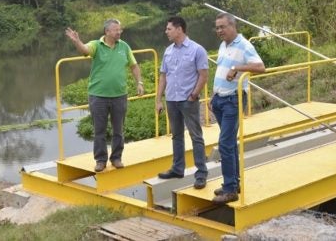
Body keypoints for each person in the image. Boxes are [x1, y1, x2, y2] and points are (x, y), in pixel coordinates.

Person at [65, 19, 144, 172]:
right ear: (107, 32)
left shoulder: (124, 46)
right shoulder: (96, 45)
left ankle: (116, 158)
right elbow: (85, 50)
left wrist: (139, 82)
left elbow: (134, 66)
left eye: (120, 29)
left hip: (119, 95)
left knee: (118, 129)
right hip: (98, 96)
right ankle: (101, 160)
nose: (119, 32)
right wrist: (77, 41)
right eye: (116, 30)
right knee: (99, 130)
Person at [210, 12, 265, 204]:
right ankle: (234, 183)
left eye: (222, 27)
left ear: (233, 26)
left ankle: (230, 189)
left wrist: (238, 69)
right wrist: (213, 95)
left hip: (233, 99)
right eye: (217, 28)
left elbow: (260, 66)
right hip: (220, 99)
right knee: (230, 143)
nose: (219, 31)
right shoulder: (223, 45)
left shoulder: (244, 45)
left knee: (225, 143)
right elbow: (220, 69)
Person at [156, 16, 209, 189]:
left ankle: (201, 173)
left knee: (196, 136)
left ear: (179, 29)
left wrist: (193, 95)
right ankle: (178, 168)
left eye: (169, 29)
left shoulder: (197, 50)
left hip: (188, 100)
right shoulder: (168, 51)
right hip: (172, 100)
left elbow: (203, 75)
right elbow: (163, 76)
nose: (166, 32)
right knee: (177, 135)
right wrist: (159, 100)